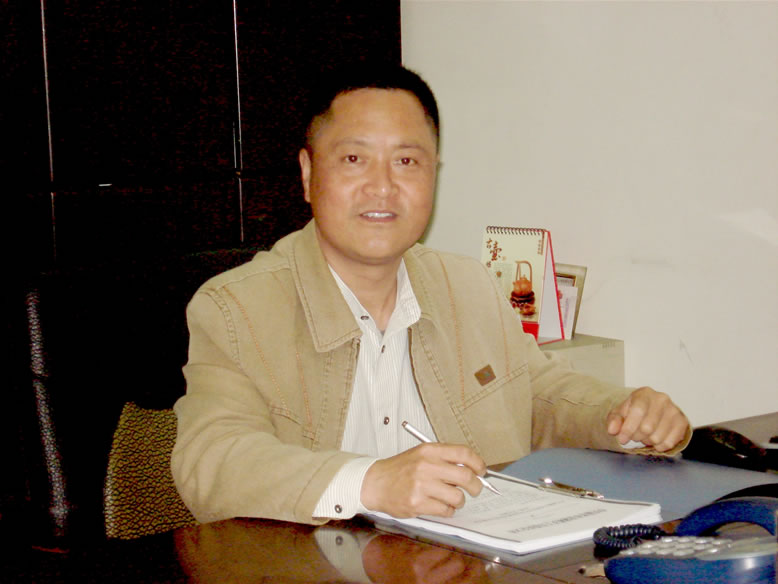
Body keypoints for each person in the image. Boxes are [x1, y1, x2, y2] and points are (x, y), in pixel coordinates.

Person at [171, 64, 690, 526]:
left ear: (433, 174)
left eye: (406, 162)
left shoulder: (468, 286)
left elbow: (539, 395)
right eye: (354, 158)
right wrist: (370, 481)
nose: (382, 187)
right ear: (308, 174)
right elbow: (212, 460)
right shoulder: (236, 308)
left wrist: (623, 416)